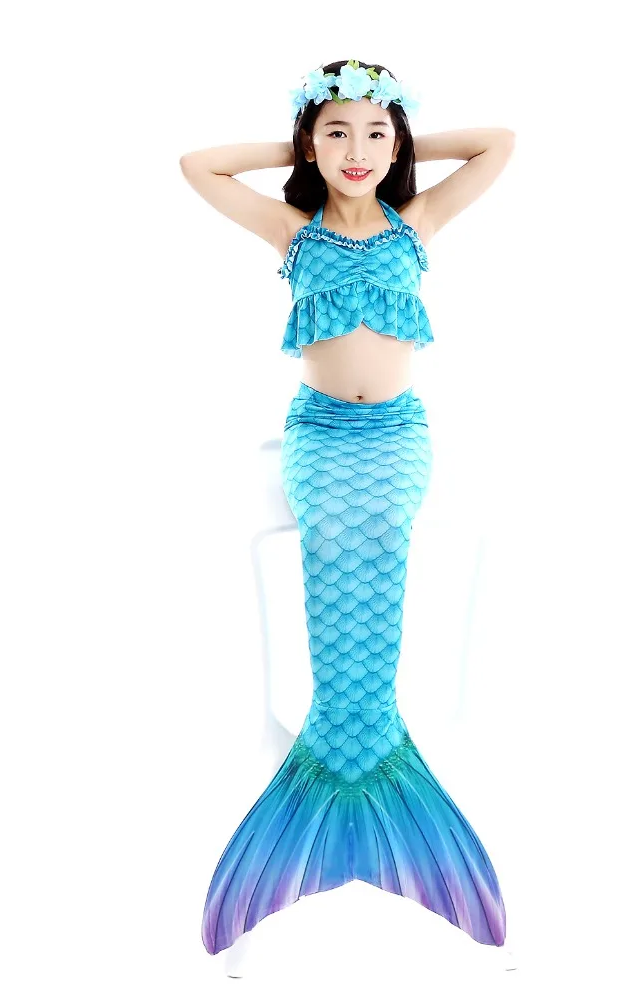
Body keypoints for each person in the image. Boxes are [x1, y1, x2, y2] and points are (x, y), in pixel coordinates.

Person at [179, 58, 516, 963]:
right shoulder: (292, 230)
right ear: (310, 145)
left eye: (375, 134)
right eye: (336, 133)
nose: (357, 150)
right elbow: (198, 165)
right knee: (330, 537)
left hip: (397, 432)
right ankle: (344, 759)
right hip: (321, 431)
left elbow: (499, 144)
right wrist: (302, 143)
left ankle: (358, 760)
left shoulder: (418, 223)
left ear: (396, 144)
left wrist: (398, 137)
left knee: (384, 531)